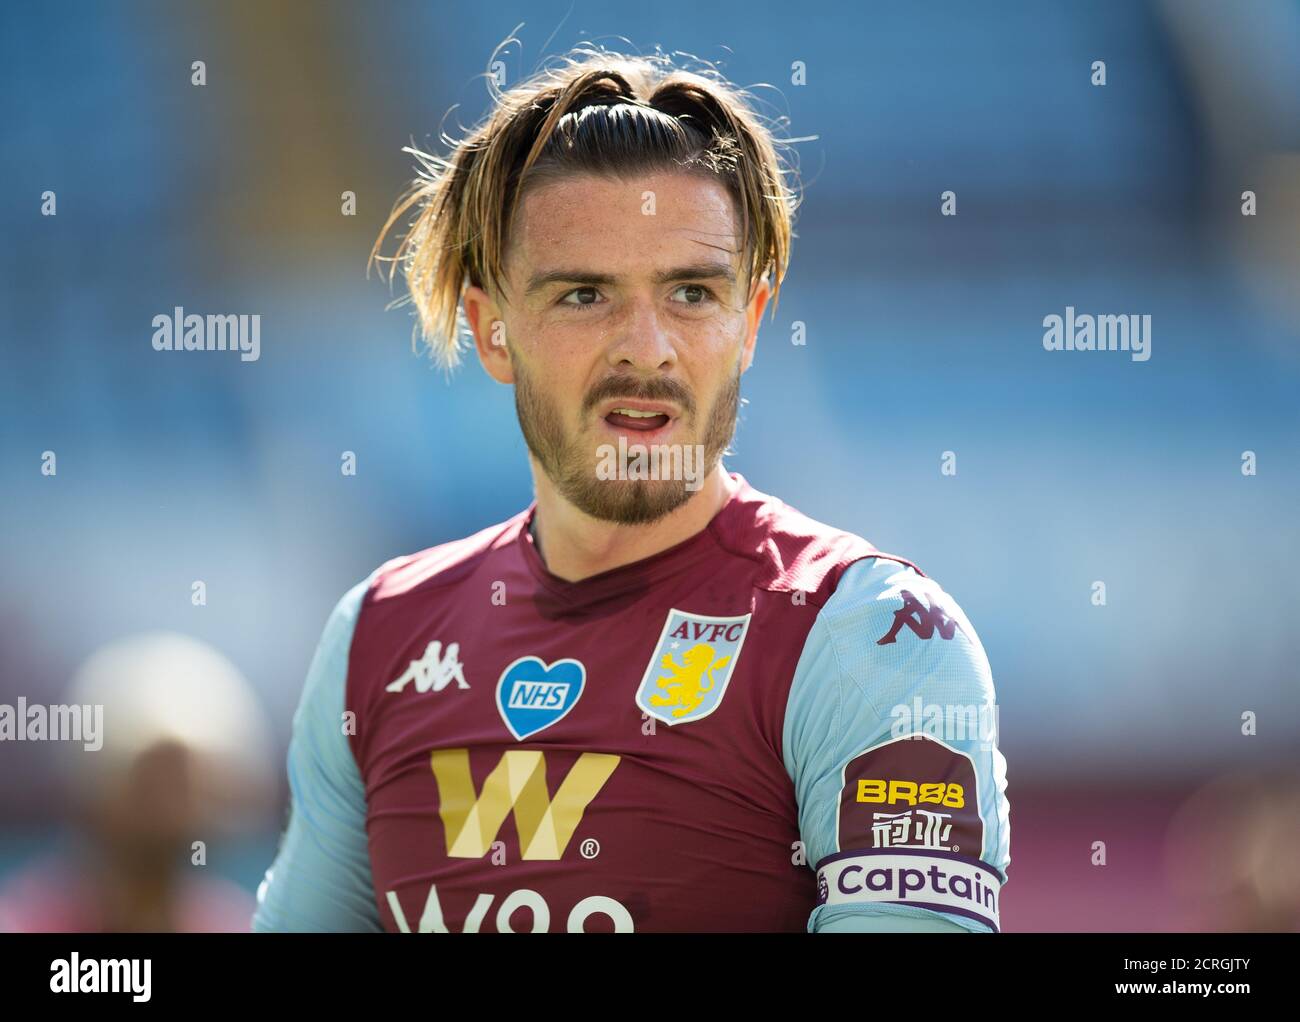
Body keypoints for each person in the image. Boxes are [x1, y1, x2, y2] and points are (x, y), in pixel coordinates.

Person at [253, 46, 1010, 933]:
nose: (645, 348)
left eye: (692, 292)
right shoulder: (376, 639)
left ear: (749, 323)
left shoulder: (874, 636)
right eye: (584, 296)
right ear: (490, 330)